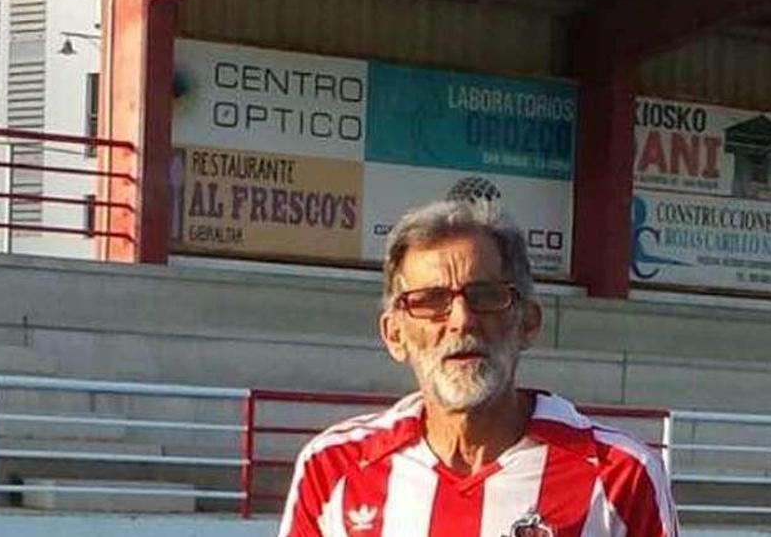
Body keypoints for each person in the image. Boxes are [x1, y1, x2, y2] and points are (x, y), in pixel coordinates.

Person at [278, 199, 679, 537]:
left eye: (485, 296)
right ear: (394, 335)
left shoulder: (621, 474)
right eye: (431, 300)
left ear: (528, 323)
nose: (461, 320)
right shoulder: (333, 466)